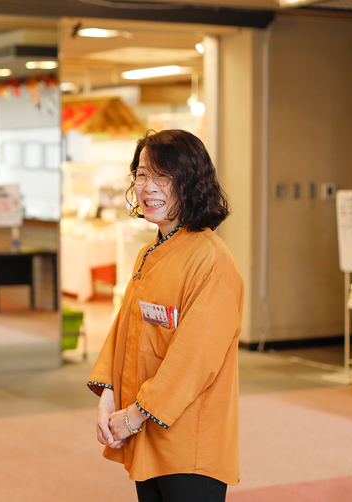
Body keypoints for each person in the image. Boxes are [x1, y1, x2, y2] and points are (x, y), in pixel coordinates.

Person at [88, 129, 243, 502]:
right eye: (142, 175)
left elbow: (195, 359)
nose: (148, 187)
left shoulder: (212, 260)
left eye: (163, 177)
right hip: (147, 431)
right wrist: (108, 396)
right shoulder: (148, 254)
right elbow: (124, 330)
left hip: (190, 441)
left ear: (191, 183)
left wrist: (132, 417)